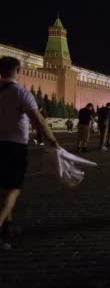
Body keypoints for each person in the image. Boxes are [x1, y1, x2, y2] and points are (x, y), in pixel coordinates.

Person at [0, 56, 60, 250]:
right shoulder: (20, 92)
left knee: (2, 188)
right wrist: (52, 141)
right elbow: (39, 121)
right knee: (13, 188)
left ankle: (6, 229)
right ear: (18, 69)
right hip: (14, 146)